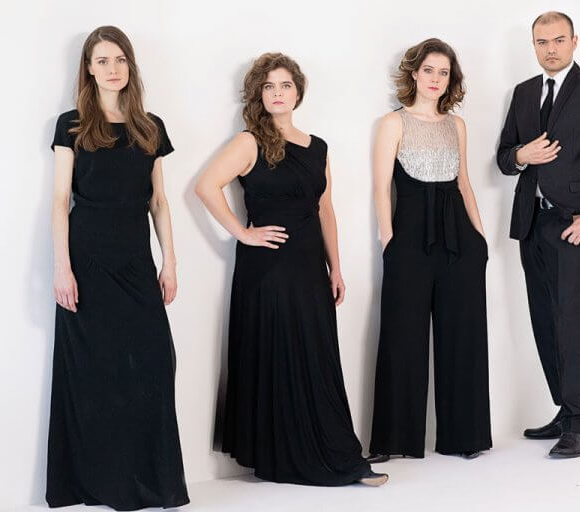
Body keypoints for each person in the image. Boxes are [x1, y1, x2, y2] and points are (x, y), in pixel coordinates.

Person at [195, 52, 387, 487]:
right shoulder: (249, 142)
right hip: (268, 268)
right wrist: (243, 233)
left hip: (309, 266)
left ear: (298, 92)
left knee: (318, 357)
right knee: (278, 356)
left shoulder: (318, 147)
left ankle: (334, 452)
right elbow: (205, 186)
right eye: (269, 87)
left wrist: (336, 267)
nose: (278, 93)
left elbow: (325, 209)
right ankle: (283, 458)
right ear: (259, 95)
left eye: (285, 85)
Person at [47, 26, 189, 508]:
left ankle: (149, 481)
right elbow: (60, 201)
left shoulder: (150, 127)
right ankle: (97, 482)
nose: (113, 69)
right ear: (88, 69)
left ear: (130, 66)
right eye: (103, 60)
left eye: (120, 59)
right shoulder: (71, 125)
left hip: (135, 262)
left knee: (155, 363)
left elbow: (159, 201)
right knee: (96, 374)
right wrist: (62, 268)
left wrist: (170, 262)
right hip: (86, 261)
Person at [497, 11, 580, 458]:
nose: (550, 49)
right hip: (530, 223)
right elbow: (504, 157)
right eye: (542, 42)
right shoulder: (522, 93)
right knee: (544, 318)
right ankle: (564, 409)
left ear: (574, 41)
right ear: (533, 46)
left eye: (558, 40)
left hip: (574, 223)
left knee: (571, 318)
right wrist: (522, 154)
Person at [368, 38, 492, 463]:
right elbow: (381, 187)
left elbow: (464, 184)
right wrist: (388, 239)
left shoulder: (457, 125)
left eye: (443, 72)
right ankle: (394, 441)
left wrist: (480, 239)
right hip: (409, 238)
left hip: (460, 240)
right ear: (414, 73)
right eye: (429, 70)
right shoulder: (393, 123)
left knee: (464, 337)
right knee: (402, 337)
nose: (436, 79)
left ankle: (465, 437)